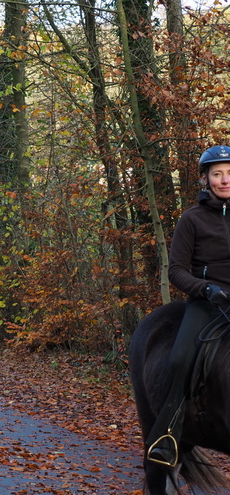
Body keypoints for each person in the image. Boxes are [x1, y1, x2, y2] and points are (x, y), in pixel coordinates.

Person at [146, 145, 230, 467]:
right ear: (206, 179)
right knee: (180, 359)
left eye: (229, 174)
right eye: (217, 174)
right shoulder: (191, 219)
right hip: (208, 303)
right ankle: (168, 435)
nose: (224, 180)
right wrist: (205, 288)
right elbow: (176, 270)